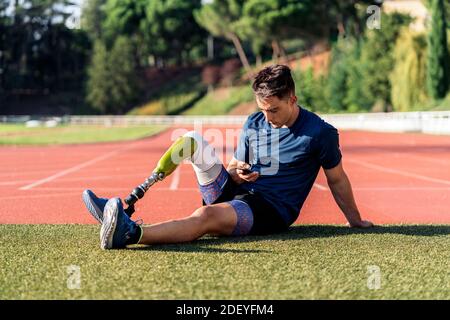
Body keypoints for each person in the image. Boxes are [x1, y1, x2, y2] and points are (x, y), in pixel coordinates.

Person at [83, 64, 374, 250]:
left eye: (274, 110)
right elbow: (235, 166)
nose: (267, 117)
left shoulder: (319, 133)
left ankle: (130, 233)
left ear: (292, 99)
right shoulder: (254, 123)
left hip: (269, 211)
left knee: (206, 216)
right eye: (262, 109)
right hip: (237, 192)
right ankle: (128, 204)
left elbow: (337, 180)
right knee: (191, 141)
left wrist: (355, 220)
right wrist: (238, 173)